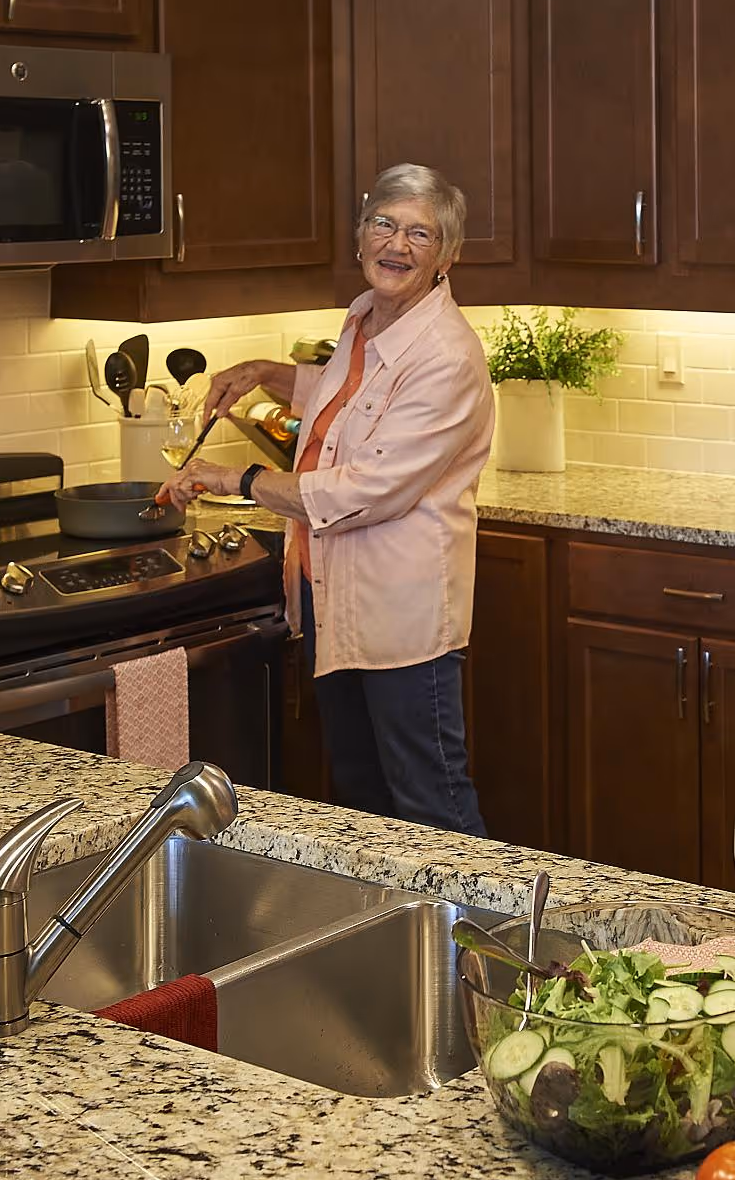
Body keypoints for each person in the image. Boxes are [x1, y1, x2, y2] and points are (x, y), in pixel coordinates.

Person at [155, 163, 493, 837]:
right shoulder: (368, 319)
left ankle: (486, 942)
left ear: (447, 257)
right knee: (362, 792)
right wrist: (265, 374)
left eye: (419, 234)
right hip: (329, 591)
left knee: (431, 798)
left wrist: (239, 480)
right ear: (360, 234)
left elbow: (368, 489)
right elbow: (353, 401)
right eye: (384, 224)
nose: (396, 244)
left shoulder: (448, 356)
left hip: (400, 616)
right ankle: (394, 943)